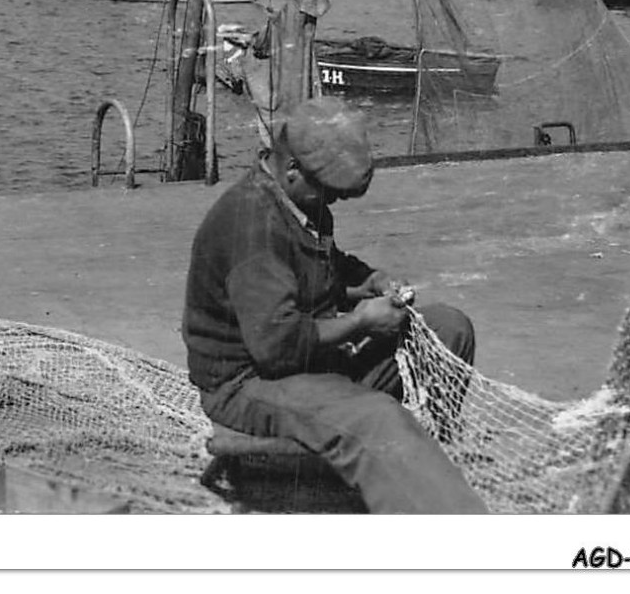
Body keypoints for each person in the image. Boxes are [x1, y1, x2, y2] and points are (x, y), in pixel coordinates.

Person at [182, 96, 487, 513]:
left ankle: (422, 462)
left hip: (310, 361)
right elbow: (277, 348)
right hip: (249, 384)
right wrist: (361, 322)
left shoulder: (299, 202)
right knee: (375, 417)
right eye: (331, 192)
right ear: (292, 170)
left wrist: (368, 281)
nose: (335, 203)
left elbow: (325, 268)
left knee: (447, 327)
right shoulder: (251, 227)